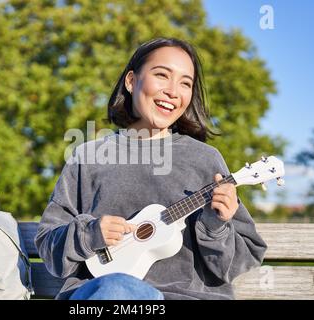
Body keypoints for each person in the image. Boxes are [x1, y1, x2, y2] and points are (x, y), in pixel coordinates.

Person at [34, 37, 267, 300]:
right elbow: (47, 243)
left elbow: (240, 262)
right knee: (117, 289)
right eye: (162, 75)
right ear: (131, 81)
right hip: (105, 297)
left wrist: (216, 227)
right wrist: (90, 235)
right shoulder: (88, 157)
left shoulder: (206, 160)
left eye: (185, 83)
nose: (173, 91)